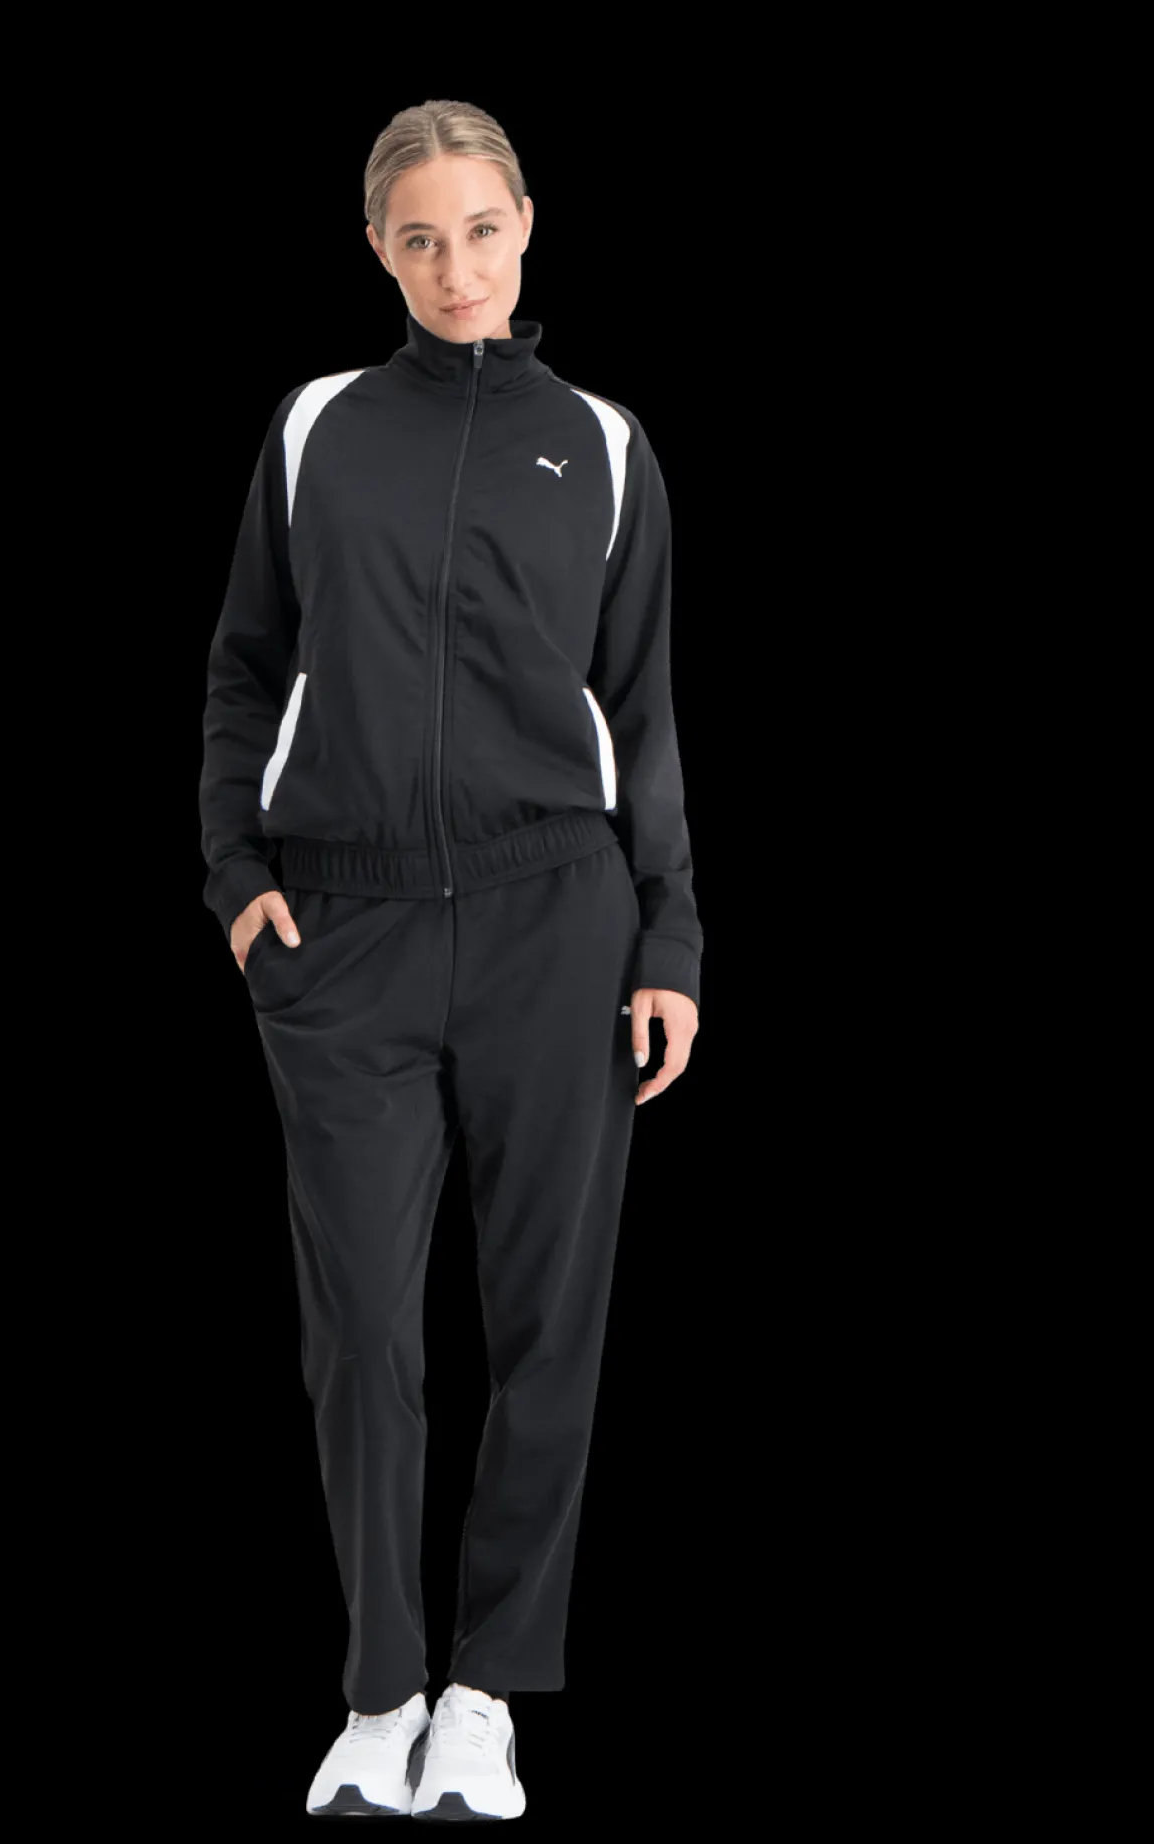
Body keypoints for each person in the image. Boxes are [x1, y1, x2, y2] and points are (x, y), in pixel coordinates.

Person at [196, 98, 702, 1822]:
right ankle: (377, 1693)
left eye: (481, 229)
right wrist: (237, 877)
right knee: (363, 1328)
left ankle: (485, 1697)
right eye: (419, 238)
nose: (456, 267)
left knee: (547, 1321)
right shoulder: (315, 428)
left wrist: (672, 937)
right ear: (377, 250)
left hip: (558, 923)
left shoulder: (606, 445)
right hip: (343, 935)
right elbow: (245, 667)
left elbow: (642, 709)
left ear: (526, 225)